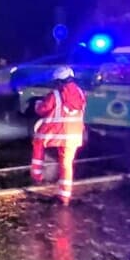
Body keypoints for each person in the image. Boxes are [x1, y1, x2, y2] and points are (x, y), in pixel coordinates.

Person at [31, 65, 86, 205]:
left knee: (37, 143)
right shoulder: (80, 93)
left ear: (59, 81)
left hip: (54, 133)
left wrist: (37, 104)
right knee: (66, 164)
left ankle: (36, 176)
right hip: (74, 136)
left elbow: (43, 109)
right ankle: (65, 196)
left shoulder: (55, 94)